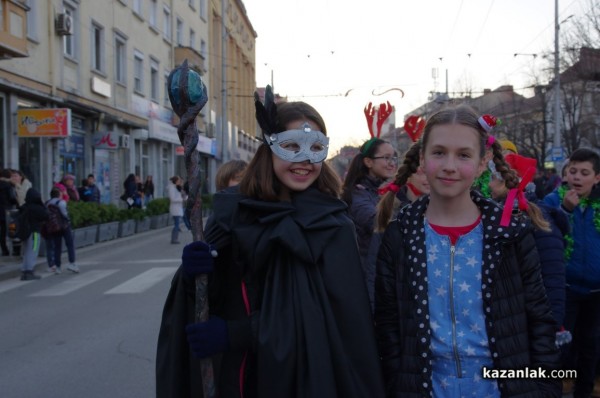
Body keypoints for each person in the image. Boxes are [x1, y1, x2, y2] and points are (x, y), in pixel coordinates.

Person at [156, 87, 385, 398]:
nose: (304, 160)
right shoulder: (232, 212)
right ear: (269, 148)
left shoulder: (334, 225)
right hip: (241, 377)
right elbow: (207, 298)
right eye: (291, 146)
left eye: (315, 148)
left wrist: (236, 333)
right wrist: (195, 274)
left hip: (309, 378)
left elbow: (332, 323)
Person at [375, 105, 561, 397]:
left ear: (481, 162)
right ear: (422, 159)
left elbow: (539, 319)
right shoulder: (399, 236)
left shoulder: (511, 234)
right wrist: (398, 386)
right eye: (439, 152)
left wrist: (543, 389)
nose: (450, 165)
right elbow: (388, 326)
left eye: (463, 155)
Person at [488, 153, 569, 335]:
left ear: (508, 181)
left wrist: (552, 327)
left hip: (530, 322)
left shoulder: (539, 218)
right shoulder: (495, 214)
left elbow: (552, 276)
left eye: (493, 178)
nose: (489, 184)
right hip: (507, 319)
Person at [544, 148, 600, 398]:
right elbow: (545, 234)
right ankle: (552, 391)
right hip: (565, 289)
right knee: (560, 349)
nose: (577, 177)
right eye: (573, 171)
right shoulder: (553, 200)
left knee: (590, 347)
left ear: (597, 178)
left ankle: (584, 393)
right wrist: (565, 210)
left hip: (596, 291)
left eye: (584, 173)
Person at [362, 142, 429, 311]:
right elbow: (375, 269)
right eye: (421, 172)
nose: (427, 179)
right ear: (408, 175)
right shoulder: (392, 210)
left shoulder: (440, 211)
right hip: (397, 307)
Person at [341, 137, 397, 275]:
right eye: (386, 158)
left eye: (394, 158)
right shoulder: (358, 195)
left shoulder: (374, 191)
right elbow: (378, 223)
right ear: (368, 162)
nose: (392, 164)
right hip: (364, 274)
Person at [44, 187, 78, 274]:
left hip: (54, 228)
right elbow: (65, 214)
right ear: (59, 194)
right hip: (64, 226)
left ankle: (58, 266)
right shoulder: (61, 202)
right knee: (69, 244)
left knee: (57, 247)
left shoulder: (47, 203)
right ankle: (72, 263)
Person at [19, 188, 48, 281]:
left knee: (26, 252)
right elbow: (46, 216)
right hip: (34, 233)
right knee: (33, 251)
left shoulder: (24, 206)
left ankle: (24, 271)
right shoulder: (37, 207)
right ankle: (29, 271)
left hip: (24, 233)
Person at [0, 168, 18, 256]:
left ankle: (4, 249)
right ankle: (15, 249)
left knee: (2, 232)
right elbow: (12, 198)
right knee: (12, 228)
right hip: (7, 211)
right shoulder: (9, 185)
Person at [167, 175, 186, 244]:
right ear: (175, 181)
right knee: (177, 224)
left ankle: (174, 238)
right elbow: (172, 199)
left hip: (178, 208)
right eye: (178, 181)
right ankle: (174, 239)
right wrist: (181, 199)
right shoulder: (172, 188)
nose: (179, 182)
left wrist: (184, 197)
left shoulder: (176, 187)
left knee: (177, 224)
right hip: (175, 208)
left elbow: (181, 195)